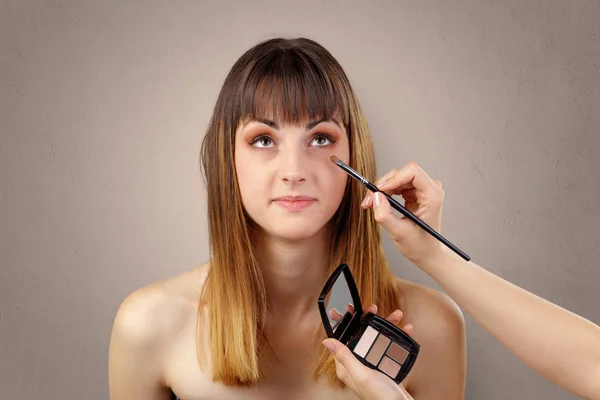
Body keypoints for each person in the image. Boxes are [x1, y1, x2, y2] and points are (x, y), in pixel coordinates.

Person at [107, 37, 467, 400]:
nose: (294, 171)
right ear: (226, 158)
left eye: (321, 138)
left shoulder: (432, 327)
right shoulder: (149, 325)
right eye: (264, 140)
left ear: (353, 156)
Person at [326, 166, 600, 400]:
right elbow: (592, 362)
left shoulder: (437, 319)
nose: (294, 172)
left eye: (321, 138)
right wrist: (434, 256)